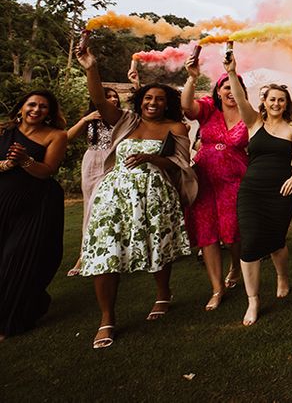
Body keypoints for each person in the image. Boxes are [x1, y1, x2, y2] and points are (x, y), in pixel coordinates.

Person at [77, 46, 192, 349]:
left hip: (155, 193)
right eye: (149, 98)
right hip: (114, 195)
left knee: (158, 246)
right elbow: (100, 100)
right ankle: (106, 319)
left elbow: (180, 163)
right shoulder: (126, 121)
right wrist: (91, 66)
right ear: (141, 101)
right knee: (106, 251)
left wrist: (152, 159)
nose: (154, 103)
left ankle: (163, 293)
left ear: (168, 104)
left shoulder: (175, 127)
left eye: (160, 99)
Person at [225, 50, 292, 326]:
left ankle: (282, 276)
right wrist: (232, 73)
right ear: (265, 101)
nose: (276, 103)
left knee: (276, 243)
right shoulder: (254, 123)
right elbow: (238, 98)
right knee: (250, 243)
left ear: (286, 104)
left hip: (282, 190)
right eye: (272, 99)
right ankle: (253, 300)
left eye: (281, 100)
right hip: (252, 191)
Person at [182, 57, 249, 311]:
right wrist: (191, 78)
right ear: (218, 92)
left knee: (233, 233)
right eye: (226, 87)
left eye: (236, 87)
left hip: (234, 180)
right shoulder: (209, 109)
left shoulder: (247, 114)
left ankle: (235, 265)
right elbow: (187, 107)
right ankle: (216, 288)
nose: (231, 92)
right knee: (207, 234)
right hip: (204, 180)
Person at [0, 91, 67, 341]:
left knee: (15, 260)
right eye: (32, 104)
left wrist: (26, 160)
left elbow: (47, 171)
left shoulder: (55, 136)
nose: (36, 110)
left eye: (43, 107)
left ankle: (9, 322)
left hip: (36, 205)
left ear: (49, 112)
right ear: (21, 108)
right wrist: (6, 164)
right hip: (3, 201)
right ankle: (32, 303)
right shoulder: (3, 132)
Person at [65, 88, 121, 277]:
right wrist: (85, 119)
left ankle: (90, 254)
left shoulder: (120, 119)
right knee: (89, 207)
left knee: (101, 208)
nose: (113, 99)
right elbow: (66, 138)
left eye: (115, 97)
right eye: (109, 96)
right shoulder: (91, 120)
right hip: (91, 164)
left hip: (112, 163)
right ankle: (86, 253)